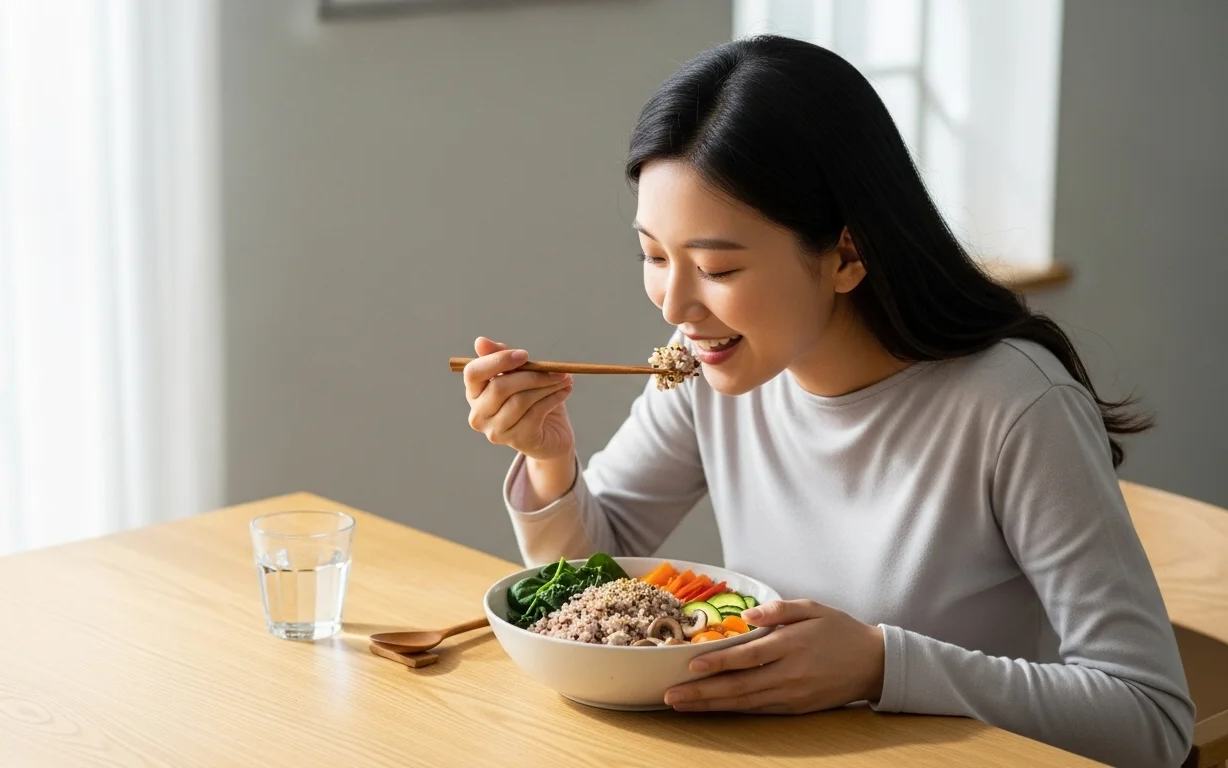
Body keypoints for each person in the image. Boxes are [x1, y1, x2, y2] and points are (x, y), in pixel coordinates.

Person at [460, 35, 1193, 767]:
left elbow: (1149, 718)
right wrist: (550, 458)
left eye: (716, 267)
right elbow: (595, 599)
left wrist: (881, 665)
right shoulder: (713, 371)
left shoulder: (1014, 406)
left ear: (845, 255)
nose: (674, 303)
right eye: (654, 256)